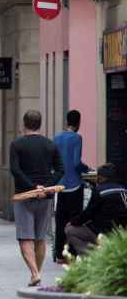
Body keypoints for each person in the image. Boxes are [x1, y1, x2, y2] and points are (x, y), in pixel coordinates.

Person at [10, 110, 64, 287]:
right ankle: (37, 273)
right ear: (40, 124)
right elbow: (60, 170)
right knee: (40, 238)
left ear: (24, 123)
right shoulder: (50, 144)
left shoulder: (17, 144)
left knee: (25, 237)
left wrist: (33, 187)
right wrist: (45, 187)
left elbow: (15, 170)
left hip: (24, 196)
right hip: (46, 197)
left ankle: (34, 273)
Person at [65, 163, 127, 256]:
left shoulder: (99, 191)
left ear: (101, 177)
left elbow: (88, 214)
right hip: (120, 233)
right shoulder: (123, 190)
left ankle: (91, 257)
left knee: (70, 230)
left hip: (101, 232)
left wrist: (73, 222)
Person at [53, 110, 90, 263]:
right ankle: (72, 253)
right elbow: (76, 163)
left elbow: (54, 161)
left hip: (60, 184)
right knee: (74, 220)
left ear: (66, 121)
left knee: (60, 220)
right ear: (78, 123)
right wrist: (86, 169)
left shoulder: (56, 137)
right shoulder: (77, 138)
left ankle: (60, 254)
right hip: (74, 185)